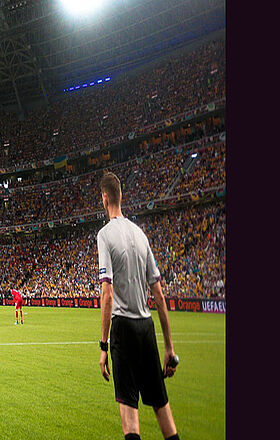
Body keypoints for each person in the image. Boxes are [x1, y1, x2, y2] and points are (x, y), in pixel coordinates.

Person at [96, 171, 179, 440]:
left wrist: (103, 345)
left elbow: (107, 293)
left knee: (130, 416)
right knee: (162, 408)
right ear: (121, 196)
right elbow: (159, 295)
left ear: (105, 198)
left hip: (124, 328)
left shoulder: (105, 235)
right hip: (147, 328)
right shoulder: (140, 234)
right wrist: (169, 347)